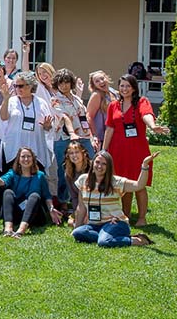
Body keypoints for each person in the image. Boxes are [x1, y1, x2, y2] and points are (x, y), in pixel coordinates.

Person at [103, 74, 169, 226]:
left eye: (128, 86)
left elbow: (146, 114)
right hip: (118, 150)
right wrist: (104, 149)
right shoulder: (113, 105)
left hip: (137, 150)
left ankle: (141, 218)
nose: (124, 89)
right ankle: (125, 215)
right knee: (124, 184)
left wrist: (152, 126)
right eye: (122, 86)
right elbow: (110, 128)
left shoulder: (141, 101)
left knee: (140, 184)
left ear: (134, 88)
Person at [71, 151, 158, 247]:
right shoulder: (83, 180)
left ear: (109, 167)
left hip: (115, 222)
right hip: (94, 224)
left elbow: (139, 185)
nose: (99, 166)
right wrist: (77, 227)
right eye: (97, 162)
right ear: (92, 163)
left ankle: (137, 240)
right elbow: (81, 206)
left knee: (104, 242)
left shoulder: (116, 182)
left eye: (104, 164)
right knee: (77, 233)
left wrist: (145, 165)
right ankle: (108, 237)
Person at [0, 147, 57, 238]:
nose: (26, 159)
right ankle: (8, 229)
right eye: (23, 156)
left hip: (34, 215)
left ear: (33, 159)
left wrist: (51, 208)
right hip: (17, 213)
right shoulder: (13, 173)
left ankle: (21, 230)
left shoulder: (40, 175)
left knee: (35, 195)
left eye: (28, 156)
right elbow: (2, 181)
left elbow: (47, 195)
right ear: (18, 160)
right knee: (8, 192)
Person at [50, 68, 96, 205]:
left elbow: (83, 119)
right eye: (60, 83)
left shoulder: (76, 99)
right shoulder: (55, 100)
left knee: (91, 164)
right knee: (64, 171)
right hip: (64, 139)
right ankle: (62, 202)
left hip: (83, 136)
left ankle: (91, 196)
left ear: (71, 83)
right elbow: (64, 117)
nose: (64, 85)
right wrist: (72, 133)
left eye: (66, 82)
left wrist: (91, 137)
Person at [0, 71, 54, 179]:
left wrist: (47, 126)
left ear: (30, 86)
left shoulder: (41, 103)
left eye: (20, 86)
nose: (17, 89)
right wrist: (5, 100)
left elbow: (48, 127)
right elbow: (3, 118)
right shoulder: (11, 101)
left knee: (35, 179)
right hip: (14, 148)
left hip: (36, 147)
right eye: (15, 86)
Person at [86, 70, 117, 149]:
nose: (101, 82)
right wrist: (94, 135)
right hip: (102, 137)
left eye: (102, 78)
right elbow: (89, 116)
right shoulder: (97, 95)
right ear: (94, 85)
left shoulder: (113, 92)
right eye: (97, 81)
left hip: (115, 134)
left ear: (106, 78)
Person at [63, 140, 91, 225]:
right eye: (71, 153)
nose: (74, 155)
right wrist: (77, 212)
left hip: (94, 204)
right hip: (80, 206)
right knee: (70, 222)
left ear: (83, 153)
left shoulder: (92, 168)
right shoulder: (68, 174)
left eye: (77, 152)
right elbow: (74, 197)